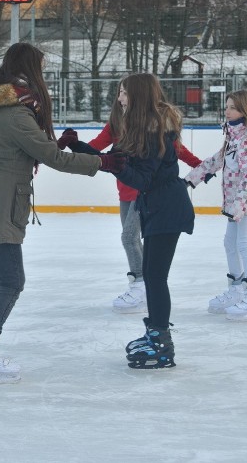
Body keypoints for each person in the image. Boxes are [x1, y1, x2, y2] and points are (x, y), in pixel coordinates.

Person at [0, 42, 125, 383]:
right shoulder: (17, 114)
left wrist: (55, 144)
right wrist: (104, 161)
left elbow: (25, 152)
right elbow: (53, 159)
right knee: (12, 280)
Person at [62, 73, 194, 369]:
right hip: (156, 207)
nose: (119, 99)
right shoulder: (137, 127)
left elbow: (141, 178)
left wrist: (115, 167)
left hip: (167, 208)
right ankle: (155, 333)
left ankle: (162, 343)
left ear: (138, 96)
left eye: (123, 93)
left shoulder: (154, 130)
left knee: (156, 277)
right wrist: (77, 146)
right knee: (150, 272)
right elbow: (110, 158)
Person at [185, 89, 247, 321]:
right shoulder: (233, 137)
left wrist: (239, 206)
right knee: (229, 243)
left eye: (232, 107)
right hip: (236, 203)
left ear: (245, 110)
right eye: (227, 106)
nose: (227, 111)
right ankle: (237, 289)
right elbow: (215, 161)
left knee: (244, 243)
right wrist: (189, 180)